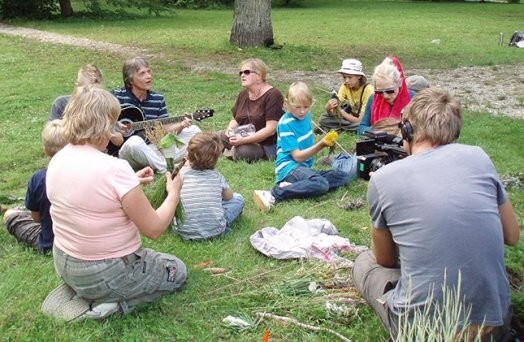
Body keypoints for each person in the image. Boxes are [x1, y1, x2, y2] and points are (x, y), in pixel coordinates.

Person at [352, 87, 520, 340]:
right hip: (494, 324)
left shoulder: (384, 179)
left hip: (424, 330)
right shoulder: (480, 157)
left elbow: (385, 260)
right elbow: (512, 235)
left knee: (364, 262)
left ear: (407, 130)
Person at [45, 85, 187, 320]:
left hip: (64, 261)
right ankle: (110, 305)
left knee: (152, 261)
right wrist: (174, 193)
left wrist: (129, 183)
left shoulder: (58, 158)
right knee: (176, 269)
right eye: (113, 122)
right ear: (102, 126)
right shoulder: (114, 169)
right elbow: (154, 228)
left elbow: (88, 191)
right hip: (106, 270)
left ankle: (82, 290)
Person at [253, 81, 351, 212]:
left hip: (303, 167)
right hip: (289, 168)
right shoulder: (285, 124)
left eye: (306, 107)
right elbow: (297, 157)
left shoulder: (306, 116)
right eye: (297, 107)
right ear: (287, 104)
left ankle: (298, 185)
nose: (302, 111)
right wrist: (321, 144)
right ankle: (276, 192)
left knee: (343, 176)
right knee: (321, 184)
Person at [113, 56, 201, 172]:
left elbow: (165, 130)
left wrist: (181, 125)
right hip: (127, 152)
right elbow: (98, 118)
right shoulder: (116, 97)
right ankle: (166, 167)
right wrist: (114, 125)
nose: (148, 76)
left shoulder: (157, 99)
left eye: (149, 72)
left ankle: (156, 162)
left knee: (194, 130)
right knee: (134, 142)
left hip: (153, 148)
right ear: (130, 80)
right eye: (142, 74)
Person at [3, 119, 67, 254]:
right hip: (81, 240)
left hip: (53, 243)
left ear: (45, 151)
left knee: (10, 214)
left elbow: (36, 218)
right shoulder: (86, 173)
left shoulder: (38, 178)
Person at [174, 132, 245, 240]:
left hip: (182, 231)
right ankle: (214, 221)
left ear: (188, 154)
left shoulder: (180, 175)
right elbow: (229, 197)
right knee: (238, 199)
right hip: (215, 231)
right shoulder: (216, 176)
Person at [219, 58, 284, 162]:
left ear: (259, 75)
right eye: (241, 73)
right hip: (242, 135)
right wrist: (230, 131)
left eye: (247, 72)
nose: (242, 75)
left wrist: (243, 140)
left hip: (265, 144)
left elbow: (270, 130)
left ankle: (228, 151)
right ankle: (228, 149)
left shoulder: (273, 95)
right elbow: (235, 119)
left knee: (243, 151)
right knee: (216, 137)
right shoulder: (244, 94)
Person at [49, 64, 123, 149]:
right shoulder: (61, 103)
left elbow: (119, 141)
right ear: (76, 86)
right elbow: (51, 136)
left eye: (96, 93)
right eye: (86, 91)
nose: (91, 97)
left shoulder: (103, 106)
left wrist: (108, 132)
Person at [357, 56, 415, 136]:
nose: (385, 96)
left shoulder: (413, 99)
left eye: (390, 91)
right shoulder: (373, 99)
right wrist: (380, 131)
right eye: (379, 92)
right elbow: (361, 128)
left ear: (400, 83)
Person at [317, 59, 374, 133]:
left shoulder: (369, 90)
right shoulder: (345, 86)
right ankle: (342, 128)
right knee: (323, 118)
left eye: (350, 77)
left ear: (359, 76)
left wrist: (342, 113)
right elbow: (335, 112)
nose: (346, 80)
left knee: (362, 126)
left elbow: (360, 120)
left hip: (364, 121)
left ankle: (337, 128)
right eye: (344, 77)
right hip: (351, 118)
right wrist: (328, 109)